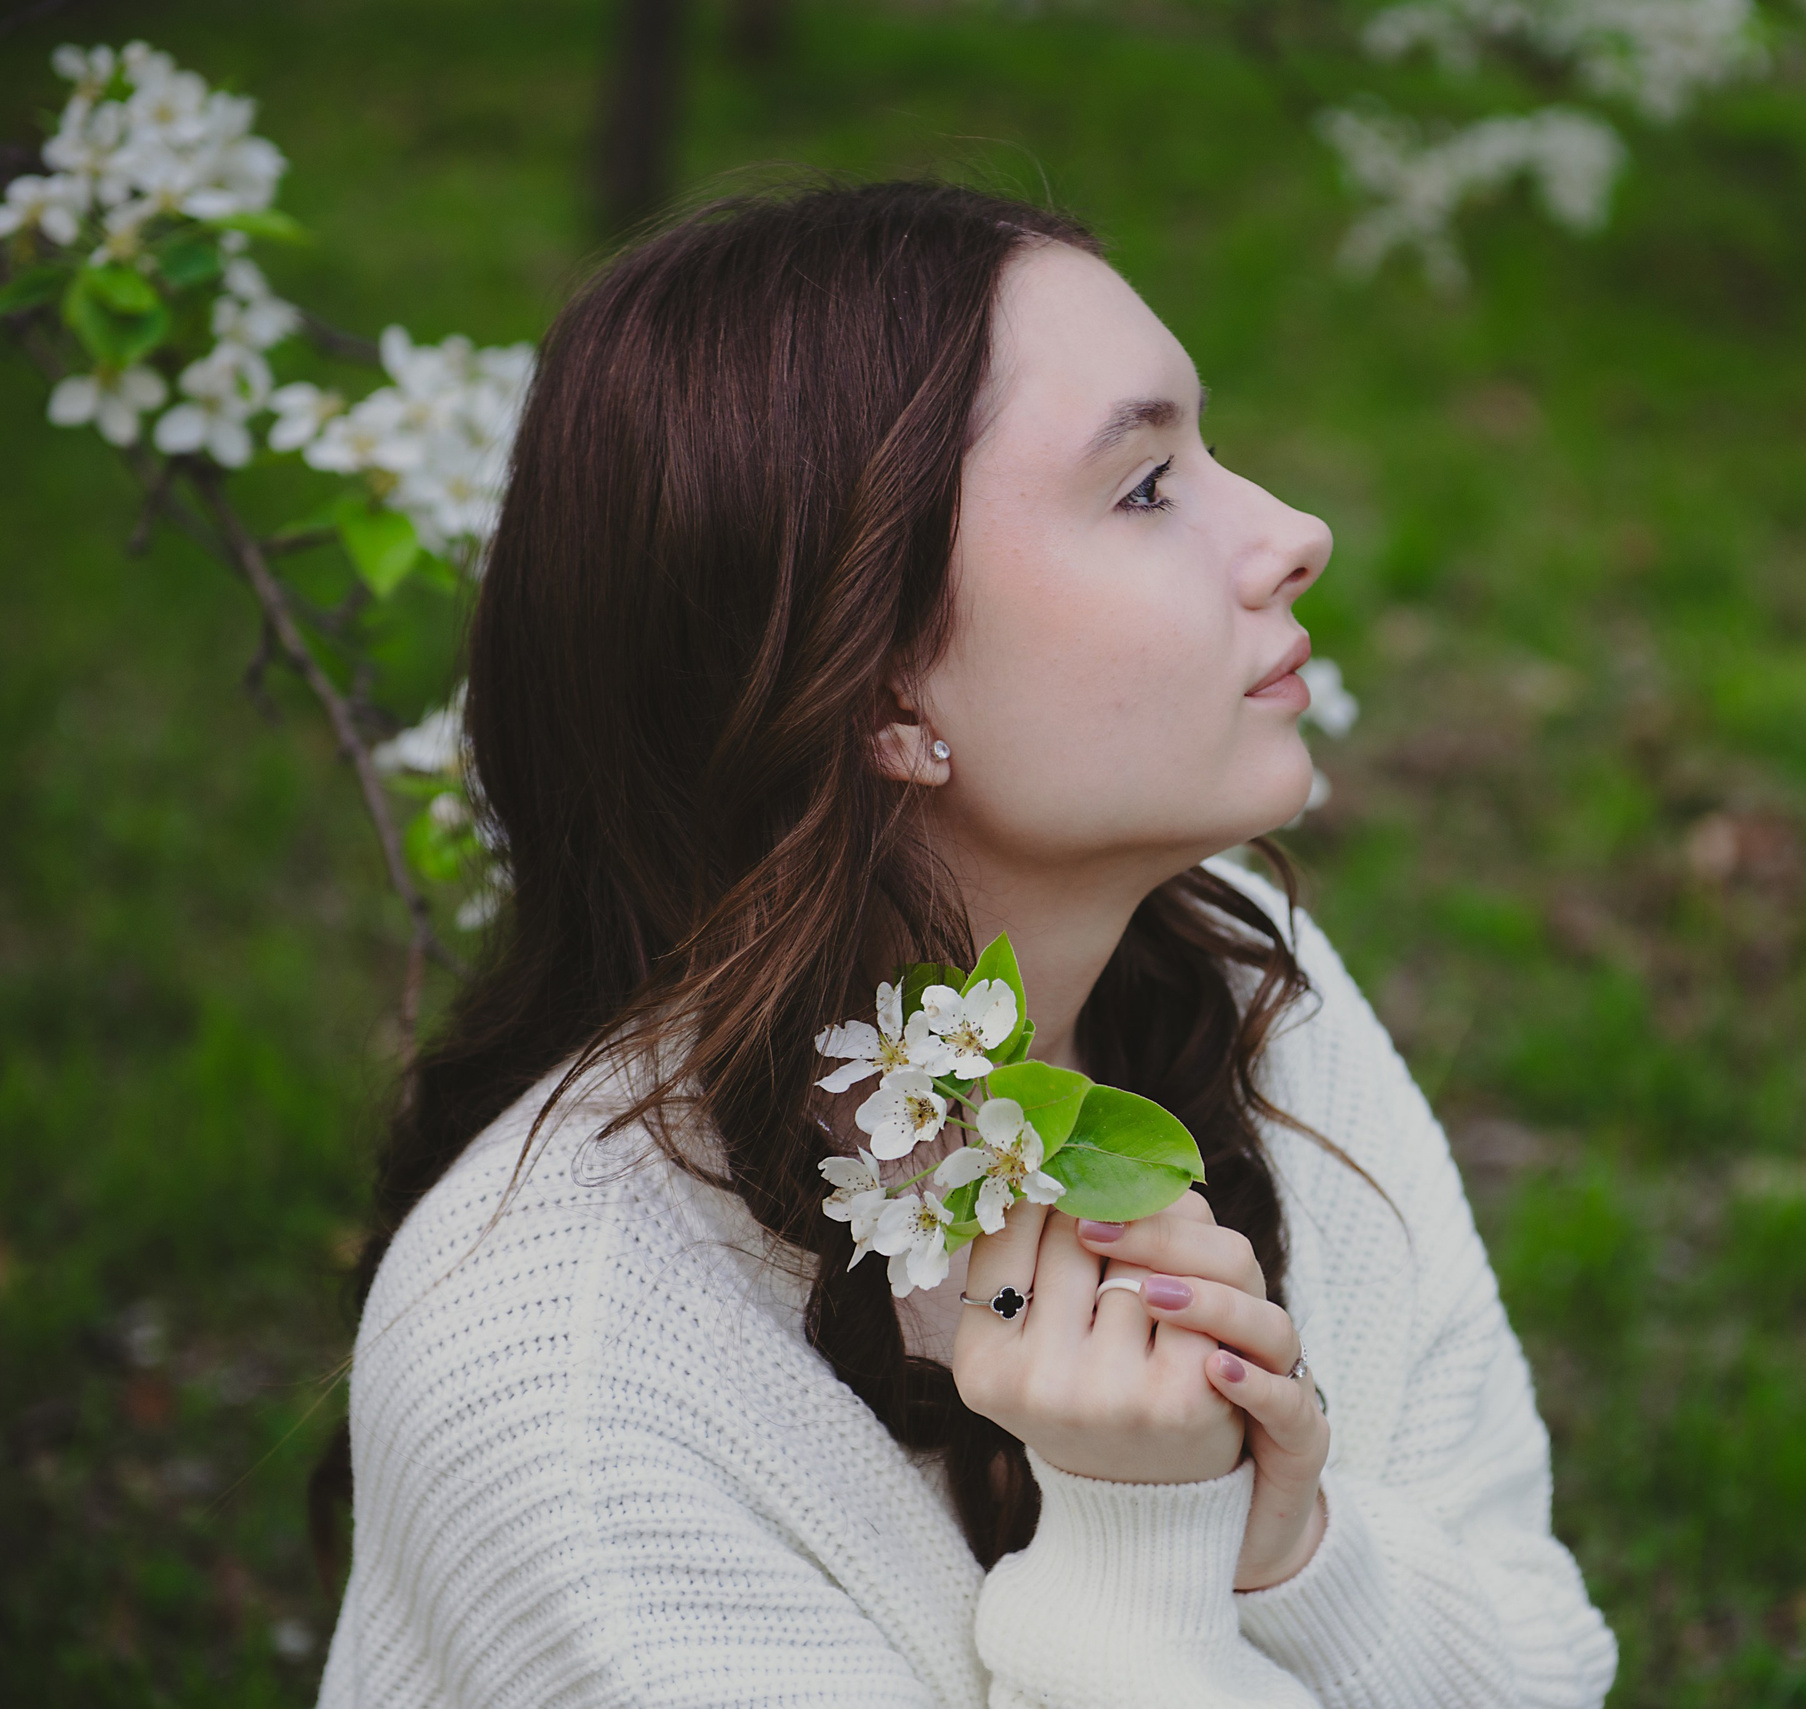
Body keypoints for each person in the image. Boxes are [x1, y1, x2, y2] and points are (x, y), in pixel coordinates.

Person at [315, 178, 1617, 1709]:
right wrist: (1139, 1547)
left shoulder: (1238, 979)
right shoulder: (569, 1374)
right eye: (1144, 487)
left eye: (1209, 448)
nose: (1293, 531)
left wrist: (1289, 1540)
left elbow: (1537, 1663)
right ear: (879, 696)